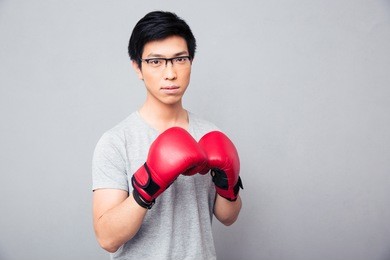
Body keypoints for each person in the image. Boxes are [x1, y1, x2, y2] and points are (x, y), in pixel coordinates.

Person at [92, 11, 243, 260]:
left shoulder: (210, 136)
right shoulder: (116, 141)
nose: (170, 73)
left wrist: (229, 182)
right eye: (155, 61)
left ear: (191, 61)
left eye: (179, 59)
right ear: (137, 67)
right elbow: (107, 239)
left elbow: (228, 217)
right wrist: (148, 184)